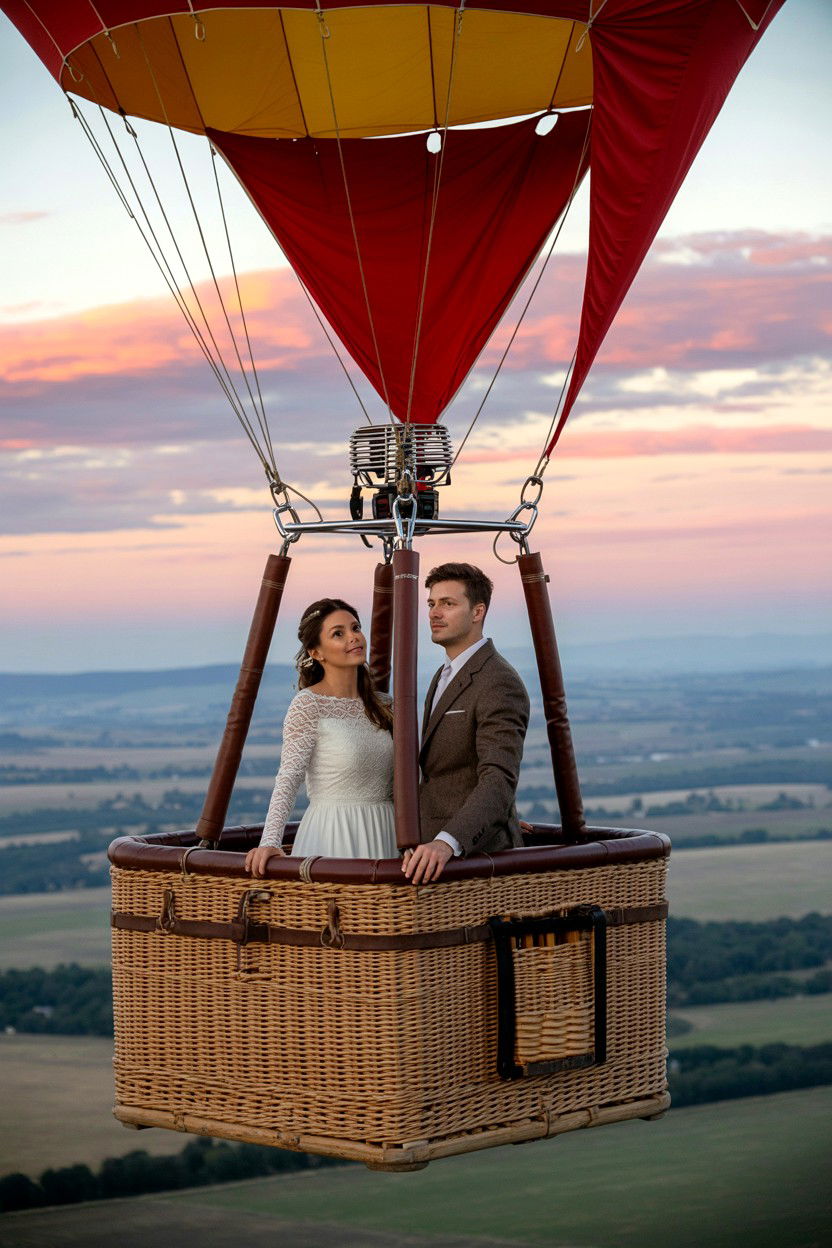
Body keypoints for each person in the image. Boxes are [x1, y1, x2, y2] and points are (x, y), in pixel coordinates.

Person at [245, 598, 395, 875]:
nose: (353, 637)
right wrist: (269, 841)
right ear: (316, 652)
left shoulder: (387, 705)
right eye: (338, 633)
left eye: (355, 627)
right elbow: (289, 776)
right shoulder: (309, 704)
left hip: (388, 831)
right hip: (334, 834)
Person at [403, 562, 530, 885]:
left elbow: (499, 778)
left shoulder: (498, 681)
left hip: (476, 863)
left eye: (448, 603)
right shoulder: (445, 674)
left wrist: (448, 841)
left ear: (477, 612)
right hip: (433, 859)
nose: (434, 613)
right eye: (431, 603)